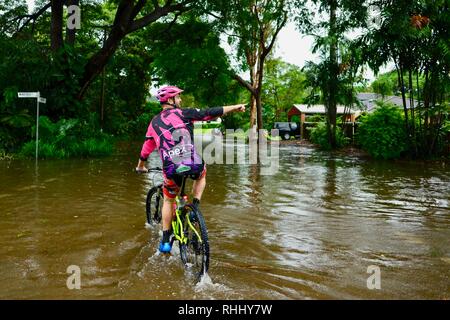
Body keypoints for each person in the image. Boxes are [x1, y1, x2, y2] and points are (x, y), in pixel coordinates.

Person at [136, 85, 245, 253]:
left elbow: (146, 149)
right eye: (178, 97)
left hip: (171, 168)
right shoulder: (184, 113)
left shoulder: (154, 123)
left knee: (168, 200)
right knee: (201, 174)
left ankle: (165, 240)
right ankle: (195, 206)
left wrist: (140, 166)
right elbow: (211, 112)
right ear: (171, 100)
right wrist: (235, 107)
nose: (180, 100)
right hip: (193, 162)